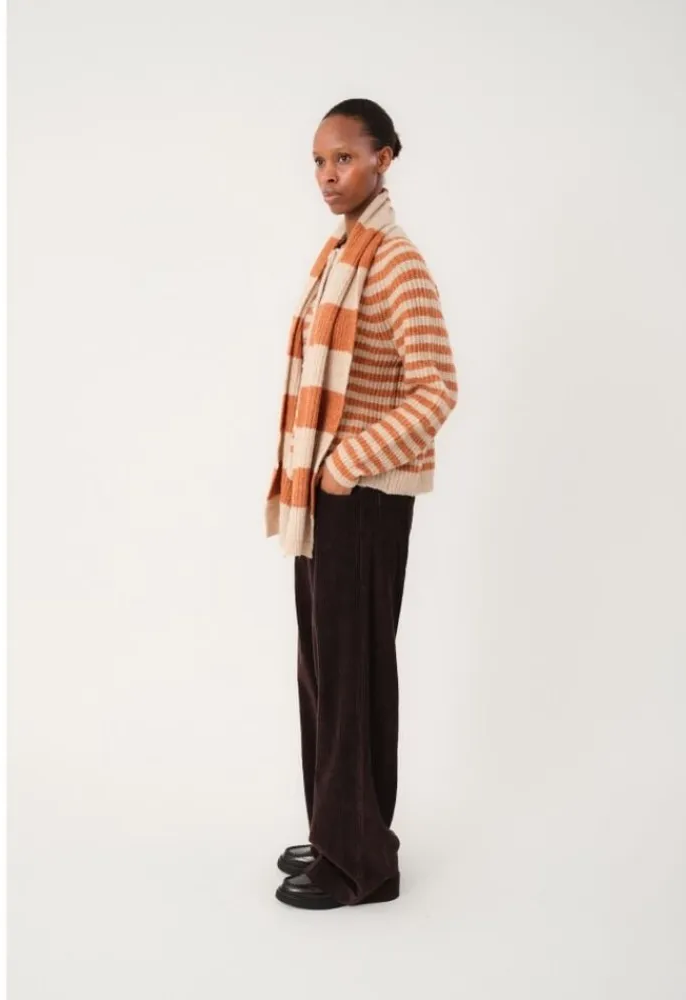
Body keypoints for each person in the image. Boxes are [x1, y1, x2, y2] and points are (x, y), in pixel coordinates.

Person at [264, 98, 459, 909]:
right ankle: (340, 828)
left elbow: (437, 388)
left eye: (343, 158)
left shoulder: (396, 262)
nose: (328, 175)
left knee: (351, 679)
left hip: (363, 499)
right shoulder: (340, 254)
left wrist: (345, 464)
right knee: (324, 673)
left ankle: (360, 867)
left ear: (385, 158)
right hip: (327, 501)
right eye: (318, 161)